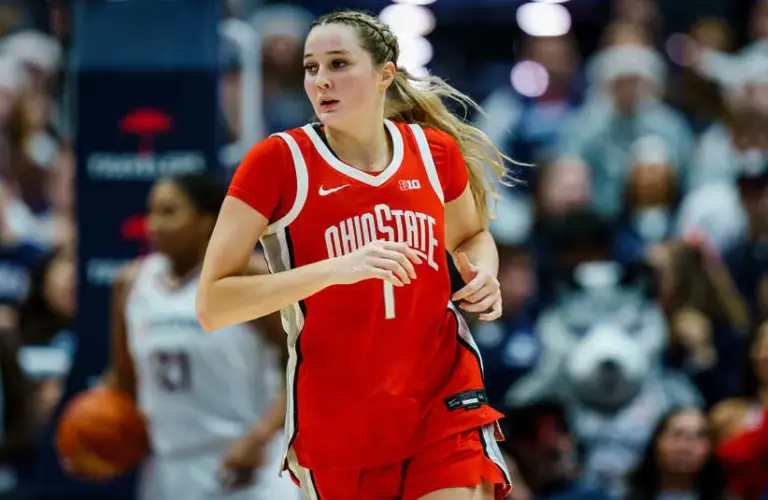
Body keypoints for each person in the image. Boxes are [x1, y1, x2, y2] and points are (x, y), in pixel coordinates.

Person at [197, 9, 513, 500]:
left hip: (441, 396)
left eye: (339, 64)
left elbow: (472, 237)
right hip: (339, 416)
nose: (321, 80)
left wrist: (485, 274)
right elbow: (213, 304)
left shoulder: (434, 153)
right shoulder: (278, 163)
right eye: (311, 67)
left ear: (385, 74)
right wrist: (332, 271)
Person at [64, 173, 298, 500]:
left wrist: (261, 438)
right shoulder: (130, 284)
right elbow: (125, 381)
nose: (153, 225)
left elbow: (303, 362)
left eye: (169, 212)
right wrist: (87, 440)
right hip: (168, 470)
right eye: (151, 213)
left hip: (249, 464)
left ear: (205, 222)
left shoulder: (247, 275)